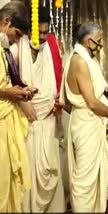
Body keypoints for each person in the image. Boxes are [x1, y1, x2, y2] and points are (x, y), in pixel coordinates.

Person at [14, 6, 65, 212]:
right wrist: (24, 103)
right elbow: (10, 83)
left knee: (50, 171)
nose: (43, 37)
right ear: (29, 31)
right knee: (29, 173)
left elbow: (57, 83)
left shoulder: (49, 49)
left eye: (46, 32)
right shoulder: (17, 50)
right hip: (27, 121)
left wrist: (57, 101)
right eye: (39, 33)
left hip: (48, 120)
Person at [60, 22, 108, 212]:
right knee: (84, 181)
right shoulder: (80, 61)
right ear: (88, 40)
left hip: (87, 121)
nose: (100, 45)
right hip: (86, 124)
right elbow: (91, 101)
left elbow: (68, 102)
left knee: (92, 178)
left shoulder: (83, 58)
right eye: (98, 41)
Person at [0, 1, 33, 212]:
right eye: (17, 33)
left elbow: (7, 81)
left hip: (6, 118)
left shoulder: (3, 47)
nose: (17, 39)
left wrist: (21, 89)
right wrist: (7, 92)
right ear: (6, 21)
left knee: (9, 179)